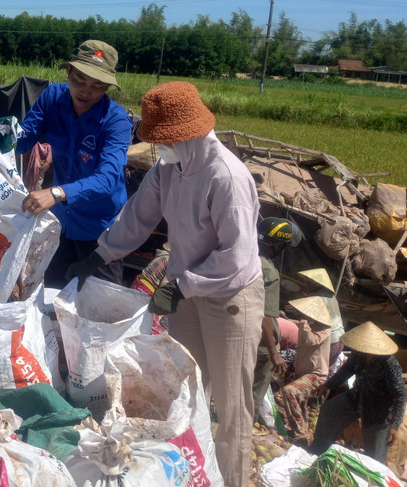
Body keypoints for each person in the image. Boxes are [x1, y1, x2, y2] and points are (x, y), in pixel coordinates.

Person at [69, 81, 264, 487]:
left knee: (230, 405)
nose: (159, 147)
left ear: (185, 133)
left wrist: (182, 286)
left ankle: (234, 480)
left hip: (229, 297)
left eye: (164, 139)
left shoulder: (226, 177)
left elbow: (238, 256)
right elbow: (137, 217)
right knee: (183, 394)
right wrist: (100, 254)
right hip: (187, 291)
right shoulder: (169, 168)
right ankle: (194, 473)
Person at [0, 40, 131, 287]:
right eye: (79, 79)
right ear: (68, 72)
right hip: (60, 225)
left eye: (98, 85)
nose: (85, 91)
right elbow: (25, 139)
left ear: (108, 88)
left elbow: (108, 179)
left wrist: (56, 192)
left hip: (102, 231)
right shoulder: (52, 98)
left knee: (99, 305)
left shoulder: (115, 121)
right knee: (51, 295)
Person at [309, 321, 407, 464]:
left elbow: (401, 396)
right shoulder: (358, 354)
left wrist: (394, 426)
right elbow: (347, 369)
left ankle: (374, 480)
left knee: (375, 456)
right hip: (356, 397)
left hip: (378, 411)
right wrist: (329, 385)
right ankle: (319, 452)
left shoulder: (389, 365)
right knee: (328, 411)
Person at [252, 217, 303, 424]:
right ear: (277, 245)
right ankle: (242, 434)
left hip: (238, 334)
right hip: (261, 344)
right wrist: (274, 353)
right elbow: (264, 315)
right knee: (254, 392)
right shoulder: (268, 272)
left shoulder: (246, 258)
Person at [280, 296, 331, 440]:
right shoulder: (310, 325)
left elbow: (310, 341)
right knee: (300, 402)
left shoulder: (325, 330)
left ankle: (300, 431)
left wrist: (303, 323)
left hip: (316, 374)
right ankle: (303, 432)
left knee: (289, 391)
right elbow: (300, 347)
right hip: (302, 372)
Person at [298, 268, 346, 376]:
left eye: (310, 283)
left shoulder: (314, 297)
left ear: (318, 284)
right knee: (326, 371)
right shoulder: (331, 296)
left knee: (314, 372)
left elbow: (308, 319)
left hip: (328, 340)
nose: (307, 285)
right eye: (307, 282)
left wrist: (300, 319)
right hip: (340, 339)